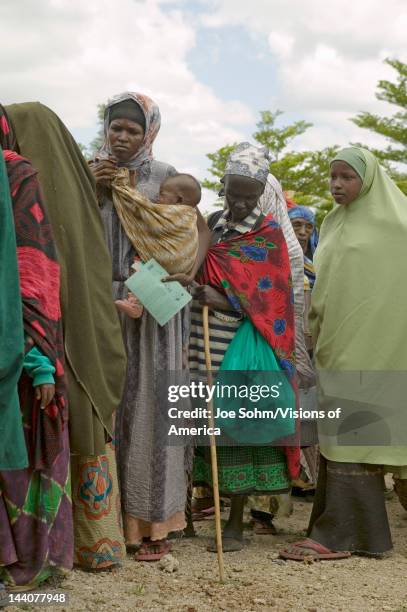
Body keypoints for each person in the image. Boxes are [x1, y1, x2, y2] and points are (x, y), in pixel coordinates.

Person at [5, 102, 127, 571]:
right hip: (69, 335)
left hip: (56, 337)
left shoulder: (31, 187)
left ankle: (71, 545)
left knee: (67, 418)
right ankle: (91, 545)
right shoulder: (72, 186)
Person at [92, 92, 210, 561]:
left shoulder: (166, 178)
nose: (122, 137)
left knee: (152, 409)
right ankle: (102, 524)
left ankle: (154, 526)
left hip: (160, 304)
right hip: (108, 300)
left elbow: (199, 229)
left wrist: (189, 271)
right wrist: (92, 187)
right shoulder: (90, 171)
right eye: (115, 127)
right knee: (109, 407)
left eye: (132, 130)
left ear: (150, 134)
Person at [280, 147, 407, 560]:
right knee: (343, 430)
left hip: (381, 346)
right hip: (335, 341)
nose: (336, 184)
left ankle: (343, 536)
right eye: (332, 176)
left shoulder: (398, 225)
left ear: (367, 179)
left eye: (346, 177)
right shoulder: (332, 223)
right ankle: (349, 529)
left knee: (360, 429)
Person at [189, 142, 300, 551]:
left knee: (236, 428)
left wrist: (222, 298)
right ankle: (198, 514)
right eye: (232, 191)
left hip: (241, 343)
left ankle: (235, 523)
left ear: (260, 191)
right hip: (200, 342)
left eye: (247, 194)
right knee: (202, 425)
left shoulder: (267, 233)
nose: (238, 201)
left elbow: (273, 296)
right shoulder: (213, 223)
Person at [0, 105, 73, 589]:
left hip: (16, 344)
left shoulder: (15, 174)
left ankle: (25, 558)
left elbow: (32, 265)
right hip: (19, 342)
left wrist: (37, 355)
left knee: (20, 448)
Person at [111, 172, 201, 318]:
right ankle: (137, 303)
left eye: (161, 194)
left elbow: (142, 208)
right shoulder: (191, 214)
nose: (157, 198)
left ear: (179, 200)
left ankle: (135, 303)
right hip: (185, 264)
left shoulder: (171, 212)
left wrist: (125, 188)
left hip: (170, 259)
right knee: (147, 267)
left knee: (139, 262)